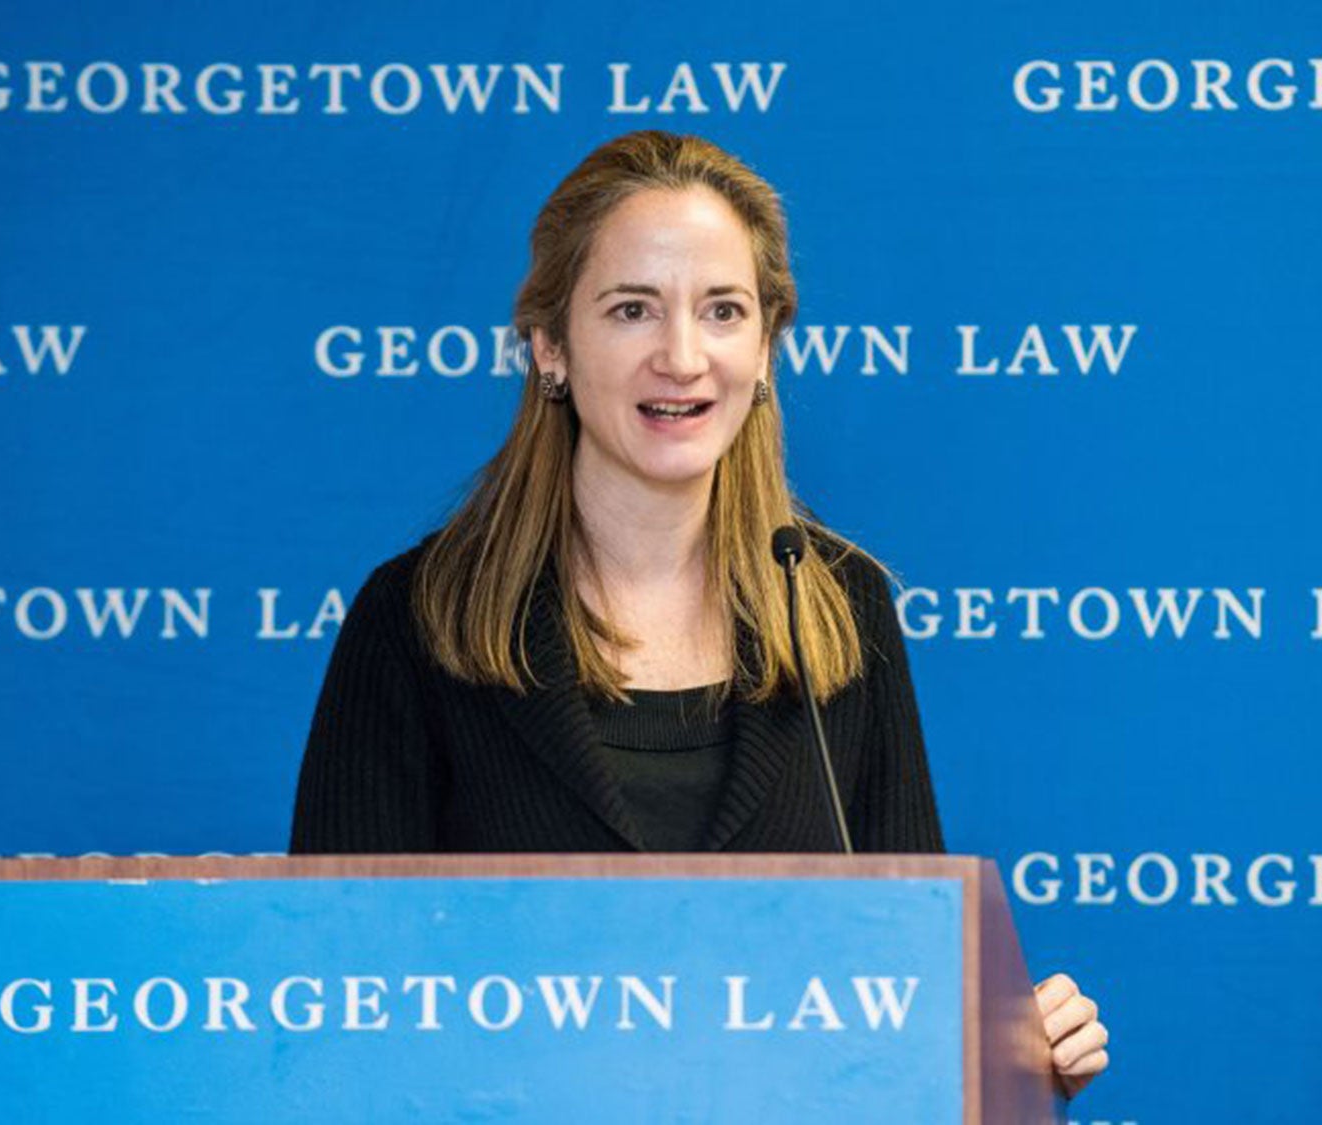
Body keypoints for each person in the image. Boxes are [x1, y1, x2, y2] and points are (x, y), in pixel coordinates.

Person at [289, 130, 1107, 1096]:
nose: (682, 357)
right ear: (551, 345)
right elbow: (333, 1007)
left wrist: (1013, 1050)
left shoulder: (841, 611)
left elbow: (908, 985)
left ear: (765, 349)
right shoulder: (420, 616)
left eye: (722, 310)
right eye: (633, 309)